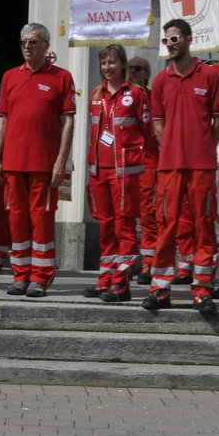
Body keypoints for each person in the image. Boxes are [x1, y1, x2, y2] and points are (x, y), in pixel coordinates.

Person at [144, 19, 219, 314]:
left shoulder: (210, 76)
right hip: (170, 166)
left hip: (202, 165)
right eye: (166, 41)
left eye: (174, 39)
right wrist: (174, 150)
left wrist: (202, 148)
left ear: (189, 39)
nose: (170, 45)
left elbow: (218, 122)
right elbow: (158, 126)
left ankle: (202, 290)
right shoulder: (162, 81)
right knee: (167, 226)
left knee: (204, 224)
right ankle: (160, 290)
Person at [0, 23, 75, 298]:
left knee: (41, 219)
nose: (27, 46)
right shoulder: (10, 77)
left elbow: (68, 122)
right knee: (16, 219)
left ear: (46, 46)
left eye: (34, 42)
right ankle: (20, 274)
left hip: (43, 164)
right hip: (14, 163)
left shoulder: (62, 77)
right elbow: (2, 119)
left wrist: (61, 161)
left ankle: (40, 277)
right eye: (24, 41)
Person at [85, 44, 149, 302]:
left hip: (124, 172)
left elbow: (147, 133)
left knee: (124, 227)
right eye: (103, 63)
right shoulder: (96, 94)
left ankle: (121, 284)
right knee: (105, 228)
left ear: (122, 64)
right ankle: (105, 280)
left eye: (111, 62)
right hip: (98, 170)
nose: (107, 68)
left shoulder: (135, 93)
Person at [126, 55, 157, 282]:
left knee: (148, 213)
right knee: (124, 215)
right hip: (125, 162)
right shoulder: (120, 95)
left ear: (147, 73)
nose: (133, 72)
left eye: (137, 68)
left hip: (148, 160)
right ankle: (125, 262)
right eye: (129, 68)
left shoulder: (155, 97)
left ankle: (149, 264)